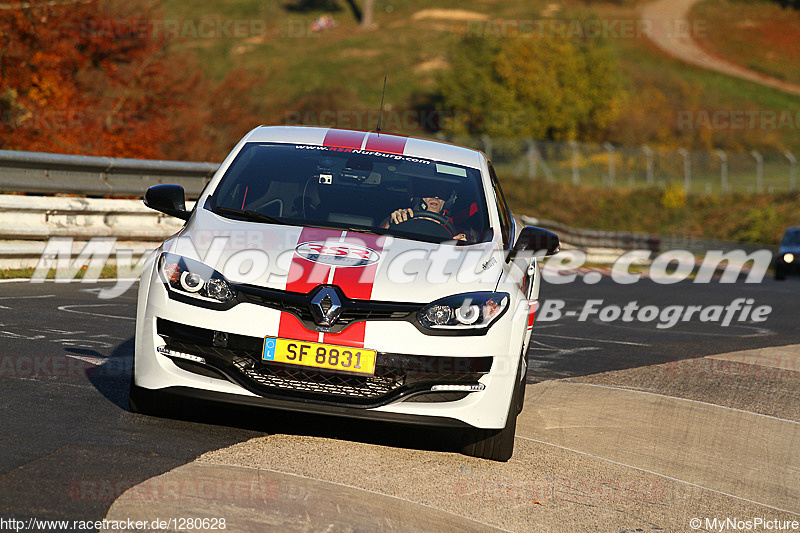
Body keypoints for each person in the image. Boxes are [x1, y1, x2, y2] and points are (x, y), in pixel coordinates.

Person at [385, 184, 467, 241]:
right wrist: (391, 221)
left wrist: (460, 244)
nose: (436, 197)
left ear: (449, 200)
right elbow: (377, 239)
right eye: (430, 191)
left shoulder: (454, 226)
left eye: (442, 193)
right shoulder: (404, 217)